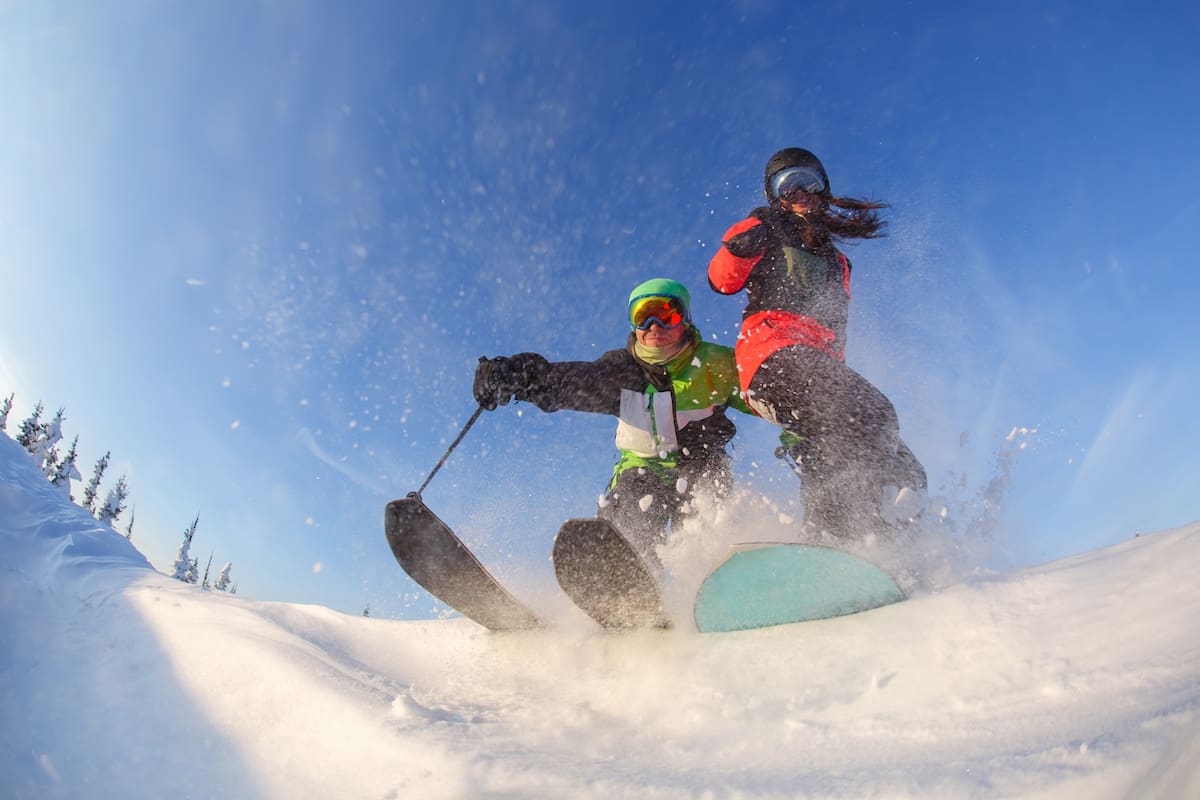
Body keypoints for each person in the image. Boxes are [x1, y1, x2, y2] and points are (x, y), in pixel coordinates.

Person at [708, 147, 926, 541]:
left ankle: (880, 544)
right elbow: (722, 280)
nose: (800, 193)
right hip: (772, 356)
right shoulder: (767, 228)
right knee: (874, 416)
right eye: (787, 186)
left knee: (903, 468)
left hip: (815, 368)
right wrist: (741, 242)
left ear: (823, 189)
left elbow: (832, 334)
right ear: (775, 196)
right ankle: (834, 533)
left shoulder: (837, 261)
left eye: (808, 182)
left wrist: (834, 387)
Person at [472, 278, 754, 568]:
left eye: (668, 316)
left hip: (702, 463)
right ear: (634, 326)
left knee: (707, 508)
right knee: (634, 510)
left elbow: (763, 394)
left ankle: (713, 576)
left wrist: (787, 417)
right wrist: (517, 376)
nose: (654, 326)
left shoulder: (716, 364)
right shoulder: (624, 371)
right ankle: (623, 577)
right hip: (643, 468)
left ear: (686, 320)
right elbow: (574, 381)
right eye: (643, 318)